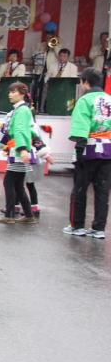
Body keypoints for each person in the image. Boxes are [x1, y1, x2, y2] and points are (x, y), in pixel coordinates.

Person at [63, 68, 111, 239]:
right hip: (108, 149)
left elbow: (81, 125)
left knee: (80, 188)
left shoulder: (84, 100)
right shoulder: (109, 99)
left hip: (89, 148)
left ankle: (77, 225)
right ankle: (99, 228)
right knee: (103, 190)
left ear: (85, 82)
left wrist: (79, 149)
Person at [0, 82, 38, 225]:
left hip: (19, 151)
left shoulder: (22, 111)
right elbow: (6, 132)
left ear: (22, 94)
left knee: (9, 182)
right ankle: (28, 215)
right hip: (17, 150)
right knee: (17, 185)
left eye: (13, 92)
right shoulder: (17, 111)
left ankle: (10, 215)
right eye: (10, 92)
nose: (10, 95)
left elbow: (21, 130)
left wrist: (22, 149)